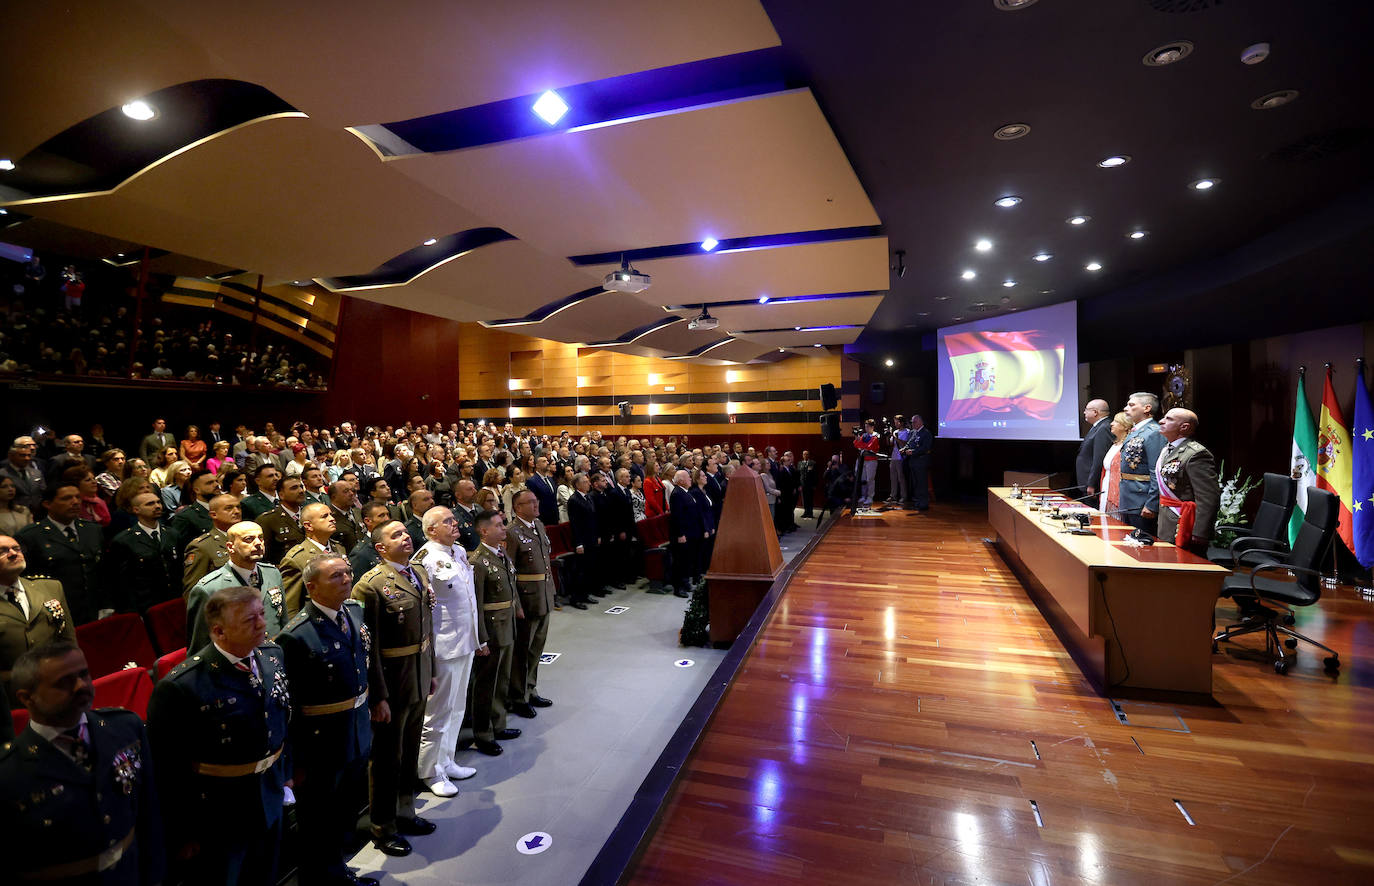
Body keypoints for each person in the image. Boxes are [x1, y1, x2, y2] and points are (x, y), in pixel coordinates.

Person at [148, 586, 290, 885]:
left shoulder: (271, 655)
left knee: (267, 873)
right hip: (219, 810)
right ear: (219, 631)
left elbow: (280, 719)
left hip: (269, 791)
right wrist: (183, 831)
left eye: (261, 615)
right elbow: (167, 768)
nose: (262, 624)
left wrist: (284, 773)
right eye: (250, 620)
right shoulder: (182, 686)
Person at [2, 641, 165, 885]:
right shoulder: (8, 771)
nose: (81, 686)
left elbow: (149, 812)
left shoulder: (125, 727)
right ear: (27, 697)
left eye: (84, 674)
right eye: (64, 682)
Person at [274, 555, 380, 886]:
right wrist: (294, 761)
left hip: (356, 729)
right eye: (336, 576)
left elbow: (362, 664)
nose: (347, 579)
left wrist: (377, 703)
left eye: (347, 573)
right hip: (320, 743)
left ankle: (336, 870)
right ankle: (319, 877)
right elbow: (288, 707)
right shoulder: (296, 635)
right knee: (318, 819)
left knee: (346, 811)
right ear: (311, 587)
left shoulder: (354, 613)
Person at [351, 521, 438, 857]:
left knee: (409, 750)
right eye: (395, 535)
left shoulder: (418, 571)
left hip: (417, 673)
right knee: (387, 757)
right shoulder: (370, 586)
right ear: (380, 548)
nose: (405, 537)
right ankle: (383, 826)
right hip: (392, 679)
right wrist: (378, 695)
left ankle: (406, 811)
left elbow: (425, 628)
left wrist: (430, 670)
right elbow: (368, 647)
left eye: (405, 532)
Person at [412, 507, 481, 798]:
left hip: (465, 640)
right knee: (438, 713)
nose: (455, 524)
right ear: (430, 530)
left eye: (454, 519)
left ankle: (447, 760)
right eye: (448, 521)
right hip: (443, 645)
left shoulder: (459, 552)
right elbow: (424, 609)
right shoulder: (425, 559)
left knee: (458, 707)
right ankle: (430, 770)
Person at [468, 509, 524, 756]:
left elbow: (511, 586)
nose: (504, 529)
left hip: (507, 623)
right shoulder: (478, 561)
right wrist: (480, 638)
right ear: (484, 531)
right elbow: (476, 604)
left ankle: (499, 724)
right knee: (486, 684)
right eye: (499, 526)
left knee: (502, 679)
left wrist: (517, 609)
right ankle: (483, 733)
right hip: (491, 628)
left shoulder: (500, 554)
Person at [0, 535, 78, 709]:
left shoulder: (50, 587)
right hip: (9, 699)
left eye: (16, 548)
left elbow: (68, 640)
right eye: (2, 552)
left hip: (60, 687)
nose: (13, 554)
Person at [186, 522, 286, 652]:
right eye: (248, 539)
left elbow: (283, 622)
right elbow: (200, 647)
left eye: (260, 538)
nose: (258, 543)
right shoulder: (209, 589)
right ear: (230, 547)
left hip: (274, 656)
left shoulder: (272, 573)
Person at [16, 483, 105, 624]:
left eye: (77, 497)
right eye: (66, 498)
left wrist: (107, 605)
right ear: (47, 504)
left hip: (93, 610)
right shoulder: (30, 536)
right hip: (55, 613)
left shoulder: (93, 530)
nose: (75, 502)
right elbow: (25, 581)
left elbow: (104, 571)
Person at [506, 489, 555, 720]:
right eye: (530, 502)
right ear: (518, 507)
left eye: (536, 501)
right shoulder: (512, 533)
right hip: (526, 599)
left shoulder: (540, 526)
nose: (536, 505)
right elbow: (510, 572)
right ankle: (518, 697)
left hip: (543, 595)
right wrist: (516, 604)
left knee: (537, 648)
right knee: (523, 652)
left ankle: (530, 688)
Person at [1156, 408, 1221, 555]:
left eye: (1169, 419)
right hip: (1167, 520)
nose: (1161, 421)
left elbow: (1208, 497)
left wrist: (1200, 532)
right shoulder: (1167, 449)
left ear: (1184, 427)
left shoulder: (1196, 454)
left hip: (1185, 523)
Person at [105, 490, 179, 613]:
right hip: (145, 605)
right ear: (136, 510)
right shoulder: (124, 540)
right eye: (150, 504)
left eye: (158, 502)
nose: (157, 506)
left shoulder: (172, 534)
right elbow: (120, 581)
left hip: (174, 599)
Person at [278, 501, 347, 618]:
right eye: (325, 516)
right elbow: (291, 607)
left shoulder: (339, 548)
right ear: (308, 526)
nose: (332, 519)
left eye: (331, 515)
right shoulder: (297, 559)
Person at [1118, 392, 1167, 535]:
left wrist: (1152, 504)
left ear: (1147, 408)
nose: (1126, 408)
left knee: (1142, 544)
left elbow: (1156, 471)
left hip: (1142, 498)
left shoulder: (1153, 432)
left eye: (1131, 405)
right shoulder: (1137, 431)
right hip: (1128, 496)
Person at [182, 493, 242, 594]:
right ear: (214, 514)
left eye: (238, 507)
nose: (236, 511)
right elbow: (193, 591)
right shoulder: (202, 546)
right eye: (229, 508)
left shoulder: (248, 539)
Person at [668, 470, 705, 598]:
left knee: (687, 560)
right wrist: (680, 534)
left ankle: (685, 582)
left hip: (691, 532)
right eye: (688, 477)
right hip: (682, 534)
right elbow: (677, 516)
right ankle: (679, 587)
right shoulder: (677, 494)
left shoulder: (686, 492)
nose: (690, 479)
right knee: (680, 561)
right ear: (681, 480)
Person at [255, 475, 307, 564]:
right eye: (294, 488)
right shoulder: (268, 520)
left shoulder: (310, 514)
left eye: (301, 487)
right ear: (281, 495)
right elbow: (263, 556)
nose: (301, 491)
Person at [1075, 399, 1113, 499]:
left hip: (1092, 485)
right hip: (1086, 482)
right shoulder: (1098, 426)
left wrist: (1092, 484)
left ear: (1095, 412)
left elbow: (1099, 458)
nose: (1084, 412)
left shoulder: (1104, 428)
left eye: (1086, 409)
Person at [347, 501, 394, 578]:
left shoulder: (393, 542)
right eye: (381, 516)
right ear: (368, 521)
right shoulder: (360, 553)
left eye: (387, 514)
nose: (387, 519)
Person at [1098, 412, 1132, 514]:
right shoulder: (1115, 444)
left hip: (1118, 491)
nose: (1111, 424)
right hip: (1106, 487)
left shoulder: (1127, 445)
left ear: (1126, 426)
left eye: (1116, 422)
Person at [1, 435, 46, 513]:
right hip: (15, 513)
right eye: (22, 455)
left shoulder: (36, 472)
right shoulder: (2, 474)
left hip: (38, 513)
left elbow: (43, 491)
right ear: (11, 456)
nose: (27, 458)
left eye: (28, 455)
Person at [901, 414, 933, 511]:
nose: (912, 424)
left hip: (921, 462)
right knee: (915, 483)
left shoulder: (926, 433)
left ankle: (924, 503)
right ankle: (918, 502)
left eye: (914, 422)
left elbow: (925, 448)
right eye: (912, 422)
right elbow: (909, 443)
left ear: (920, 422)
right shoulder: (912, 432)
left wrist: (913, 451)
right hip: (913, 462)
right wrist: (905, 448)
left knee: (921, 483)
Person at [854, 419, 881, 506]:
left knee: (870, 479)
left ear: (872, 427)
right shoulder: (864, 435)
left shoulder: (876, 435)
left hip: (871, 461)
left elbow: (870, 447)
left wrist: (861, 445)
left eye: (868, 426)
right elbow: (856, 445)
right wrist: (858, 440)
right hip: (863, 460)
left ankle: (870, 497)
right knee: (863, 479)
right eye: (865, 426)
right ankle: (863, 496)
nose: (866, 428)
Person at [887, 416, 911, 505]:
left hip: (901, 458)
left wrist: (895, 437)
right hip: (893, 457)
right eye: (895, 422)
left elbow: (904, 444)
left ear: (901, 422)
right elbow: (890, 444)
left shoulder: (907, 432)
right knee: (893, 477)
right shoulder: (895, 432)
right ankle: (893, 495)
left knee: (901, 478)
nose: (895, 424)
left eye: (896, 422)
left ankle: (903, 496)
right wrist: (889, 435)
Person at [798, 450, 817, 519]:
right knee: (804, 499)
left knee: (810, 499)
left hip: (810, 484)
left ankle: (810, 513)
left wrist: (814, 485)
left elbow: (815, 475)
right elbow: (798, 474)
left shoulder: (813, 463)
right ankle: (805, 512)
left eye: (807, 454)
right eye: (804, 454)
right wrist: (799, 485)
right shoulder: (800, 463)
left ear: (809, 455)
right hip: (803, 484)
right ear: (802, 455)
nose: (805, 455)